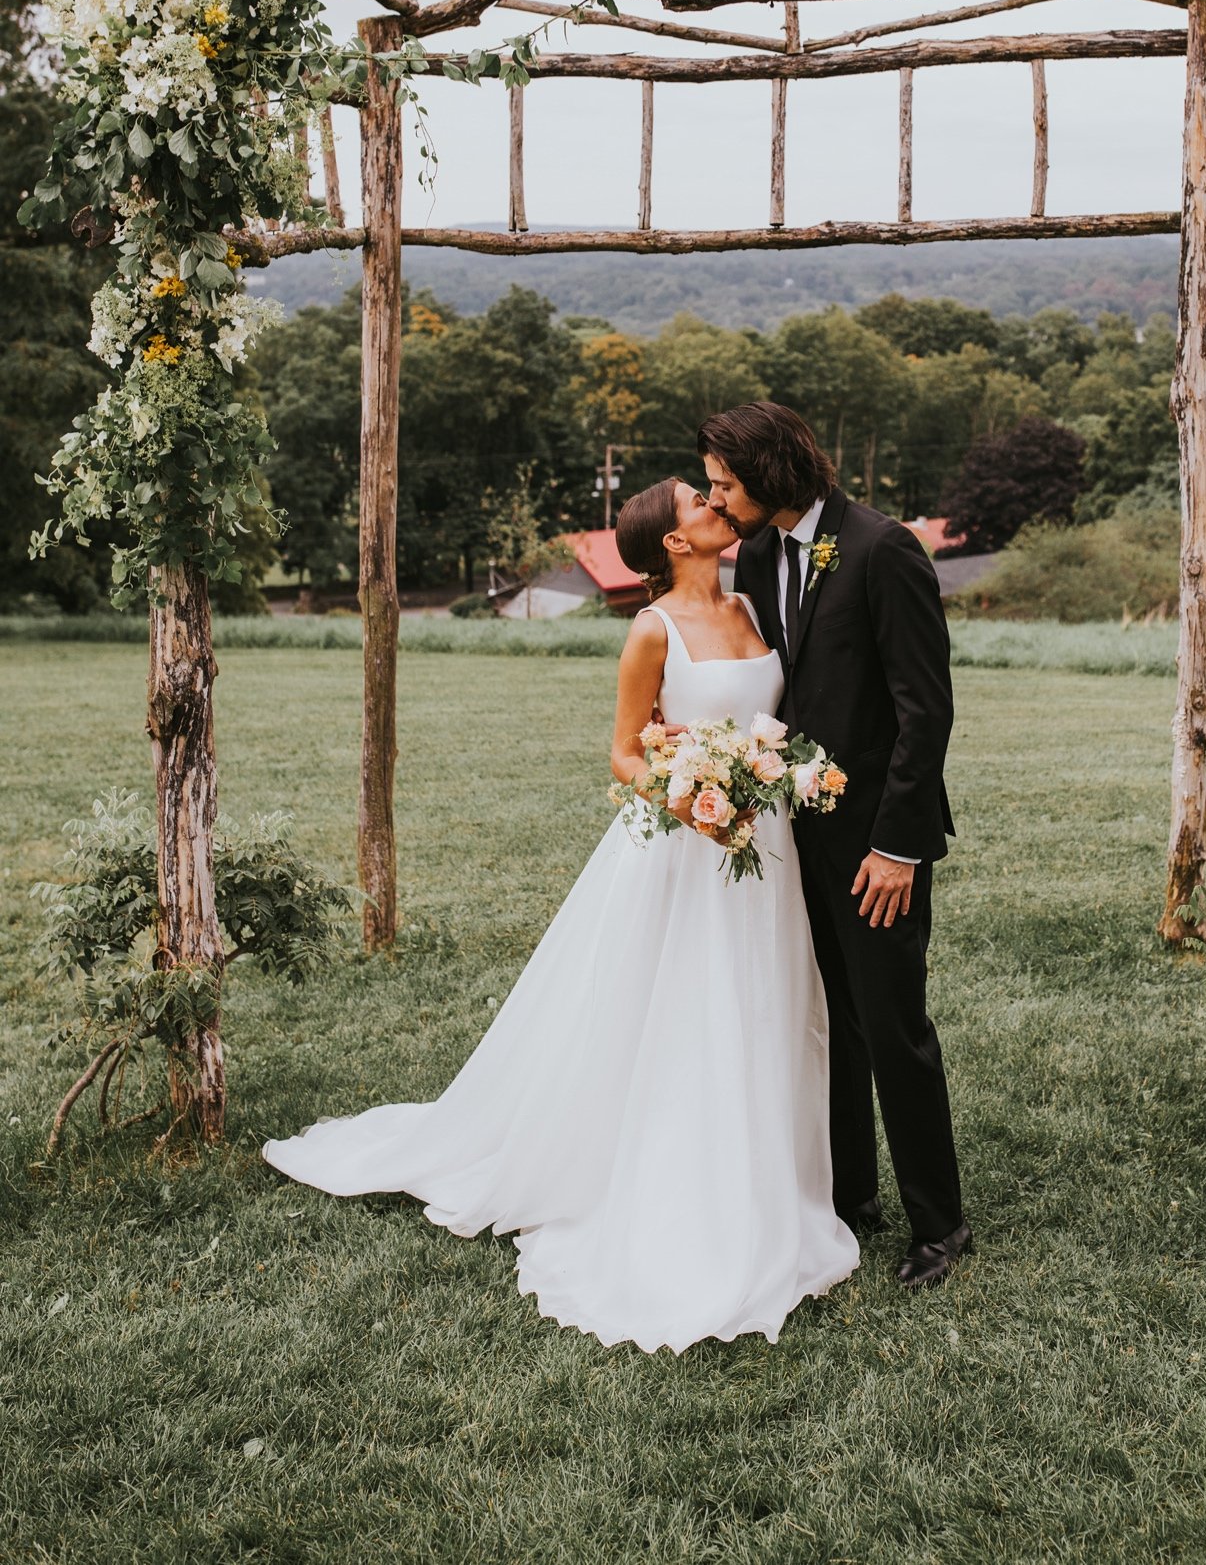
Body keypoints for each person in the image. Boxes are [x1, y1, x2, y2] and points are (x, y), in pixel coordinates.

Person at [263, 476, 857, 1354]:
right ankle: (671, 1183)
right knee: (678, 1011)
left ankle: (770, 1180)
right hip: (685, 843)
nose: (714, 505)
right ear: (673, 541)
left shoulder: (757, 602)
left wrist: (764, 781)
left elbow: (773, 712)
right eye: (699, 501)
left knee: (763, 1002)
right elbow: (623, 754)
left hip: (764, 847)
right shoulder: (650, 631)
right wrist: (692, 793)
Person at [700, 402, 970, 1289]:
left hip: (874, 849)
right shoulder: (758, 550)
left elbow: (924, 711)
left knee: (894, 1029)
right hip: (793, 840)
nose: (717, 499)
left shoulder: (882, 548)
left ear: (770, 472)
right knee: (830, 1028)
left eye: (725, 483)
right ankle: (851, 1199)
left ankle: (940, 1225)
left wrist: (899, 845)